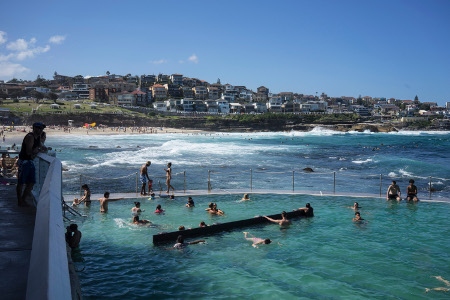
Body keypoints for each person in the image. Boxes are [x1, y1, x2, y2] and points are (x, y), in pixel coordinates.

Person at [16, 122, 46, 207]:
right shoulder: (30, 137)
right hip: (24, 161)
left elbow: (41, 146)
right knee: (21, 182)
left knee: (32, 182)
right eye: (38, 128)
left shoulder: (38, 137)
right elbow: (29, 152)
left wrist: (43, 148)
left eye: (41, 128)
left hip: (30, 161)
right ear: (34, 128)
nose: (40, 130)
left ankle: (24, 198)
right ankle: (20, 201)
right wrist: (37, 150)